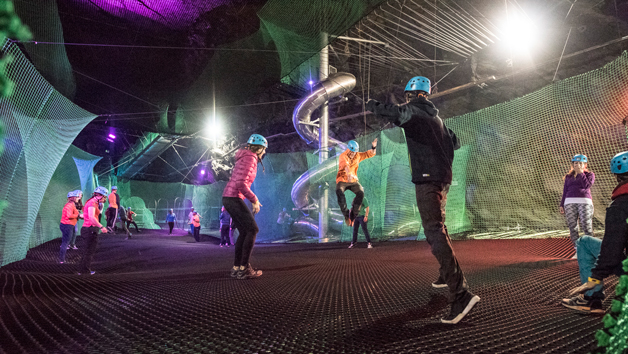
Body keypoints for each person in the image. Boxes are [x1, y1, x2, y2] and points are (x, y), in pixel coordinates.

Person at [366, 76, 479, 324]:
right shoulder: (435, 117)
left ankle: (461, 295)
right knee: (439, 227)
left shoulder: (415, 111)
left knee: (433, 230)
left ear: (410, 94)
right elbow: (455, 141)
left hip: (428, 179)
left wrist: (371, 104)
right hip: (442, 179)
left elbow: (395, 113)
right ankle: (444, 274)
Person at [563, 151, 628, 314]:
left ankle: (592, 298)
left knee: (584, 242)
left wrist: (595, 277)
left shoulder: (619, 206)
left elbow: (611, 250)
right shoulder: (570, 178)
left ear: (617, 176)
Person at [222, 134, 267, 279]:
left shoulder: (245, 156)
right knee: (253, 229)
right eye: (264, 149)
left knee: (244, 231)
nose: (265, 153)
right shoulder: (251, 158)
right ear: (259, 149)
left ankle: (237, 267)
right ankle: (244, 269)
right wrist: (254, 199)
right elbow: (241, 184)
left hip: (230, 197)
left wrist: (253, 200)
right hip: (233, 197)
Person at [335, 138, 377, 226]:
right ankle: (346, 215)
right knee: (339, 191)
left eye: (354, 153)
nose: (353, 154)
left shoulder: (357, 155)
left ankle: (353, 216)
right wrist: (349, 174)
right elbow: (346, 165)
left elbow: (369, 154)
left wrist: (373, 147)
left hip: (353, 181)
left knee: (361, 192)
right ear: (348, 150)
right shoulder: (343, 156)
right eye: (351, 152)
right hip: (343, 180)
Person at [559, 154, 595, 252]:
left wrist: (581, 173)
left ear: (585, 165)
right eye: (575, 163)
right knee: (572, 225)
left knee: (586, 224)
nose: (577, 165)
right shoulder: (568, 177)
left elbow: (586, 186)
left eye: (580, 163)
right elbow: (565, 190)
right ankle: (577, 248)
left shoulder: (590, 175)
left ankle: (590, 247)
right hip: (569, 202)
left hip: (584, 201)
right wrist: (562, 204)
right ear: (572, 164)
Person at [77, 186, 110, 275]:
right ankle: (85, 271)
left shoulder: (92, 202)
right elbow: (92, 217)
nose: (104, 199)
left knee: (87, 250)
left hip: (88, 229)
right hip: (90, 229)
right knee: (89, 251)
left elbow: (86, 215)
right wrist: (102, 227)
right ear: (99, 195)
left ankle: (83, 270)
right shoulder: (92, 203)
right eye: (104, 196)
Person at [59, 190, 81, 263]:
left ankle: (61, 259)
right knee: (65, 243)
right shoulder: (69, 205)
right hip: (67, 225)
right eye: (77, 196)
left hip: (68, 225)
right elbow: (69, 216)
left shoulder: (72, 205)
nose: (78, 198)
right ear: (73, 198)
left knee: (65, 242)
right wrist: (78, 215)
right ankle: (61, 260)